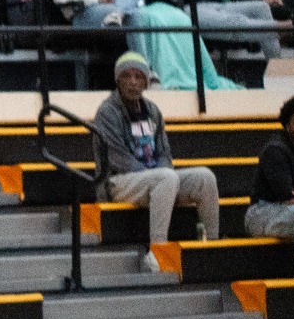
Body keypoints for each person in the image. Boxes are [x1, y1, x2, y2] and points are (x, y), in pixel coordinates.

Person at [93, 52, 220, 244]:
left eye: (138, 76)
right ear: (118, 81)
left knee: (205, 178)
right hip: (118, 182)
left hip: (156, 179)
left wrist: (163, 176)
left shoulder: (152, 110)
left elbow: (163, 152)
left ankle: (212, 244)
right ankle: (158, 250)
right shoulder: (107, 112)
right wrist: (159, 176)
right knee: (166, 177)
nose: (133, 82)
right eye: (127, 76)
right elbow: (117, 159)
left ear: (146, 82)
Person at [246, 94, 294, 278]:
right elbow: (287, 195)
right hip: (262, 212)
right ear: (287, 126)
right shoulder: (275, 150)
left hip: (291, 210)